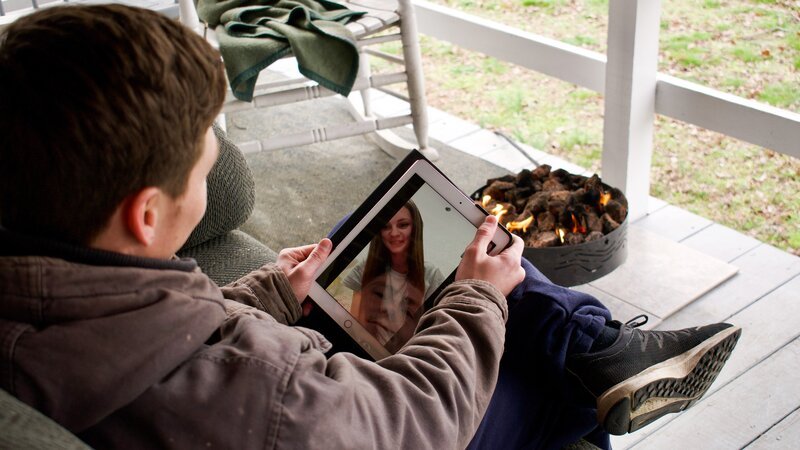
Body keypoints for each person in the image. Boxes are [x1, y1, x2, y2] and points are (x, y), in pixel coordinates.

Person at [0, 5, 740, 450]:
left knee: (370, 229)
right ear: (146, 215)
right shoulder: (260, 390)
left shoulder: (35, 299)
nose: (216, 160)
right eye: (202, 159)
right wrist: (477, 298)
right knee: (539, 368)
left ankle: (597, 347)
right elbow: (418, 420)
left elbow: (149, 327)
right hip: (392, 420)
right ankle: (596, 356)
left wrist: (271, 292)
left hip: (301, 389)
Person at [341, 200, 445, 349]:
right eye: (385, 226)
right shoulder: (365, 267)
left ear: (415, 228)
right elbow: (355, 322)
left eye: (403, 225)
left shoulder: (432, 275)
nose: (394, 233)